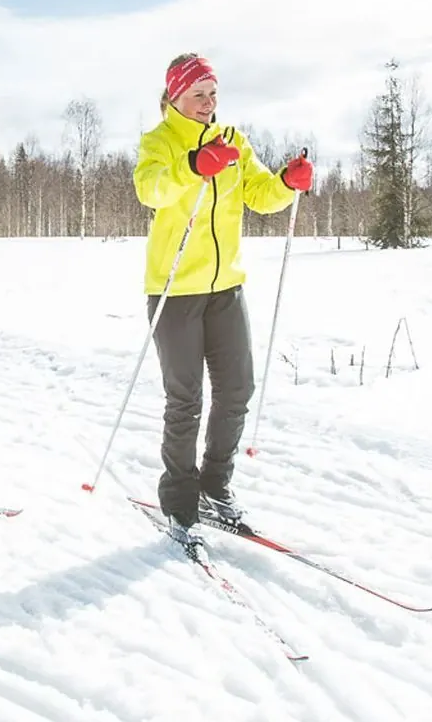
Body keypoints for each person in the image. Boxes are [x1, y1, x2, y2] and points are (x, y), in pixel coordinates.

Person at [132, 53, 314, 535]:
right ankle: (179, 500)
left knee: (236, 390)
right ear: (176, 95)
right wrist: (193, 166)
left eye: (212, 93)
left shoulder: (233, 140)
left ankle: (215, 484)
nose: (207, 103)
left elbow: (260, 195)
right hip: (175, 290)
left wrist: (286, 183)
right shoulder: (159, 142)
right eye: (198, 94)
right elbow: (151, 190)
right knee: (185, 398)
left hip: (226, 287)